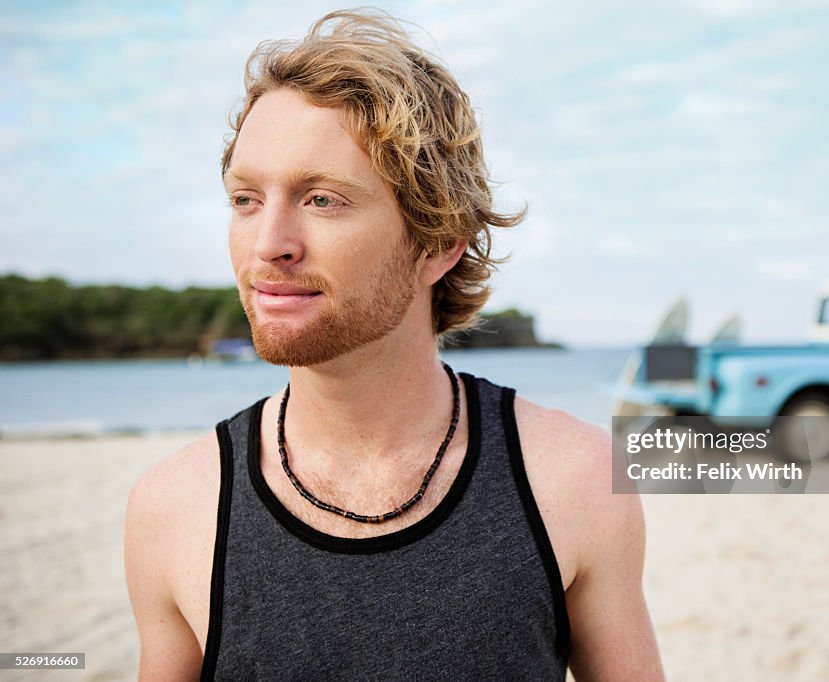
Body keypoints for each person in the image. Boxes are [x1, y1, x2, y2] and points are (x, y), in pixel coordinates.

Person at [125, 9, 663, 681]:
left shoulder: (574, 481)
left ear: (438, 240)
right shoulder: (174, 508)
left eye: (322, 199)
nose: (269, 244)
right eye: (245, 199)